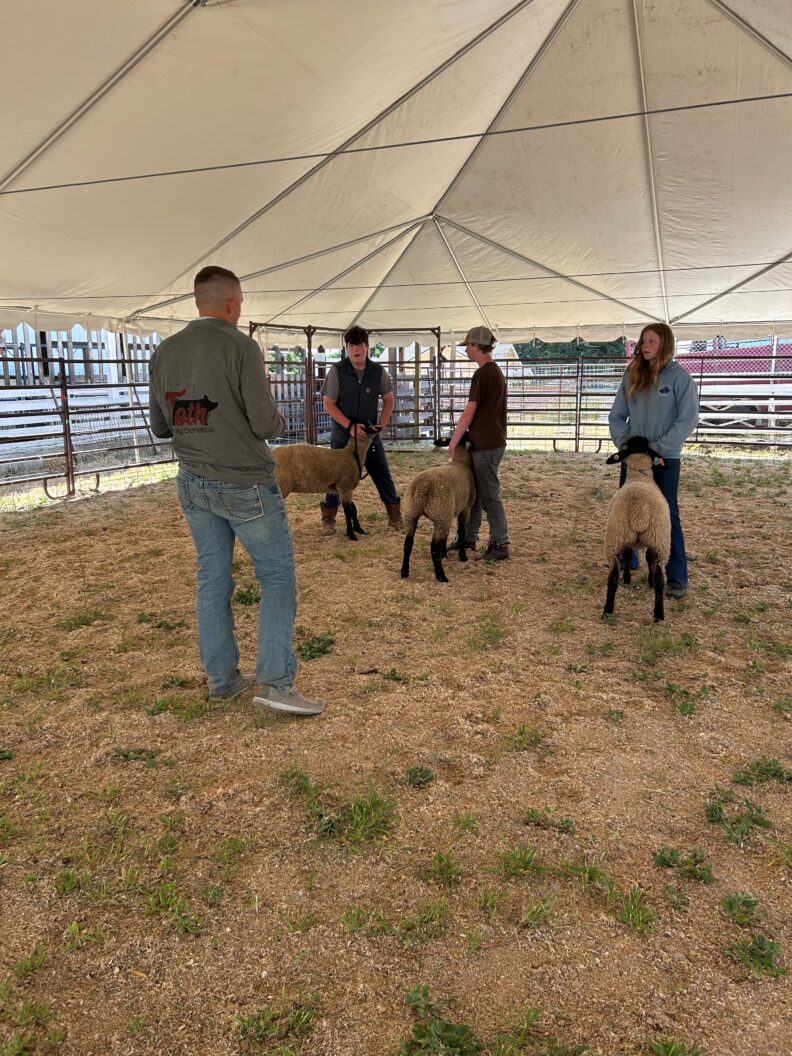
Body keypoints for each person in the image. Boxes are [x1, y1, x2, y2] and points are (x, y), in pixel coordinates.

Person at [148, 265, 324, 717]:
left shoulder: (164, 352)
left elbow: (160, 426)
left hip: (193, 481)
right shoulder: (241, 347)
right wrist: (281, 422)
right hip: (245, 482)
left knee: (212, 579)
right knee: (277, 577)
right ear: (232, 304)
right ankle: (276, 683)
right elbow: (265, 422)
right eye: (240, 304)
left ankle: (222, 679)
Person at [608, 322, 698, 600]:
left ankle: (676, 575)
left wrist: (659, 448)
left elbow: (687, 419)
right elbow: (616, 416)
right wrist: (627, 446)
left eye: (651, 341)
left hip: (664, 459)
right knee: (627, 508)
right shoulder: (632, 375)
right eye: (643, 341)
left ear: (665, 344)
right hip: (635, 459)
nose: (645, 346)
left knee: (667, 514)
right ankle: (628, 561)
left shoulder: (680, 379)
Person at [319, 325, 403, 534]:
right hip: (343, 434)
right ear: (347, 348)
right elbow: (328, 403)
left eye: (360, 344)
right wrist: (349, 426)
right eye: (351, 345)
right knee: (334, 476)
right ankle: (329, 518)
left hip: (368, 435)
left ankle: (395, 515)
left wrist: (381, 425)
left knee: (382, 472)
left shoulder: (377, 371)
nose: (356, 349)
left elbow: (389, 399)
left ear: (367, 347)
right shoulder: (337, 370)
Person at [447, 325, 510, 561]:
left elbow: (469, 411)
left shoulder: (483, 373)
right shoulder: (495, 372)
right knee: (478, 493)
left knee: (488, 493)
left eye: (468, 347)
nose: (467, 351)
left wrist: (454, 442)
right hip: (491, 440)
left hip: (486, 443)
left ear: (476, 346)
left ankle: (500, 541)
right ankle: (468, 536)